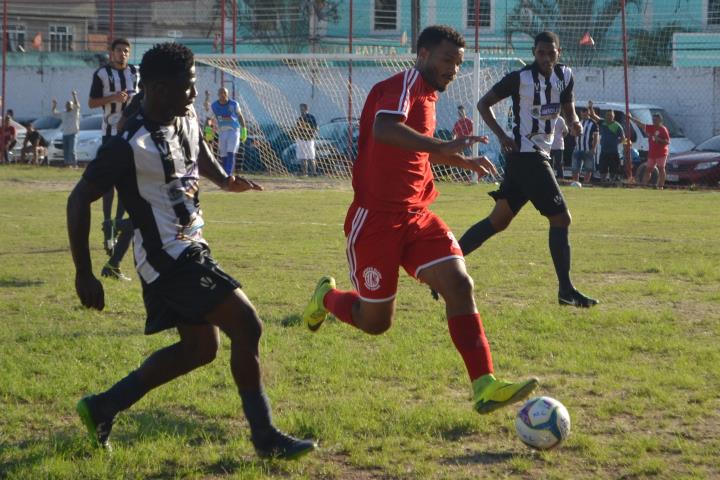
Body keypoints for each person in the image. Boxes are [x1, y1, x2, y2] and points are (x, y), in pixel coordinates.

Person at [67, 42, 316, 459]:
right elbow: (78, 201)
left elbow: (196, 148)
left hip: (191, 245)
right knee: (248, 325)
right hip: (167, 259)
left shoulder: (183, 113)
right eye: (189, 85)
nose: (194, 93)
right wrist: (84, 272)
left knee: (201, 350)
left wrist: (224, 180)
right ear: (159, 88)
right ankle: (265, 438)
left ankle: (102, 406)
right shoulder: (127, 143)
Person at [302, 25, 539, 417]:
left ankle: (485, 384)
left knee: (460, 284)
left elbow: (416, 153)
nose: (454, 70)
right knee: (376, 322)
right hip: (375, 219)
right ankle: (326, 298)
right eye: (448, 60)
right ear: (423, 54)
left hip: (416, 215)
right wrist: (441, 145)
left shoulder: (428, 95)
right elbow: (385, 129)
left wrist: (456, 160)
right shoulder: (404, 84)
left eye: (458, 64)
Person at [458, 31, 599, 308]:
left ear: (559, 53)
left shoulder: (565, 76)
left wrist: (573, 122)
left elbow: (568, 104)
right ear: (534, 53)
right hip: (527, 156)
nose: (545, 58)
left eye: (551, 53)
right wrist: (501, 135)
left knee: (497, 221)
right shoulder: (519, 78)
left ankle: (443, 265)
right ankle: (566, 290)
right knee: (561, 218)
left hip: (534, 156)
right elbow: (483, 104)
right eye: (540, 53)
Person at [89, 37, 140, 266]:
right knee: (108, 185)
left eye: (126, 51)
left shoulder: (135, 72)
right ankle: (108, 225)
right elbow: (91, 102)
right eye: (119, 50)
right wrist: (112, 97)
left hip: (131, 136)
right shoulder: (101, 74)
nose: (123, 54)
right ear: (111, 53)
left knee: (127, 184)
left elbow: (141, 98)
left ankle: (118, 225)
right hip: (109, 134)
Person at [628, 112, 670, 189]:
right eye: (653, 120)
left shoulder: (663, 129)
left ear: (660, 120)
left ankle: (660, 187)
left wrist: (659, 140)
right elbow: (641, 124)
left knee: (661, 169)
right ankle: (643, 186)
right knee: (648, 169)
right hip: (652, 153)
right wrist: (631, 118)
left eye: (656, 120)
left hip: (661, 153)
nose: (654, 121)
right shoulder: (651, 128)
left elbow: (667, 142)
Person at [211, 87, 247, 175]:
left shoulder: (234, 104)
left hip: (234, 131)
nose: (223, 95)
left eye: (224, 93)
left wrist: (244, 129)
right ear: (218, 95)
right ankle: (225, 174)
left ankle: (228, 174)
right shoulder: (214, 106)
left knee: (231, 152)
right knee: (223, 154)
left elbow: (240, 116)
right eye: (221, 93)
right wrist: (208, 130)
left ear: (227, 94)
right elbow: (209, 118)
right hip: (222, 132)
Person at [588, 104, 624, 182]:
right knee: (603, 171)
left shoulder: (617, 126)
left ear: (613, 116)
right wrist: (591, 108)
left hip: (613, 152)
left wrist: (615, 142)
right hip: (604, 152)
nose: (609, 117)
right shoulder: (603, 122)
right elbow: (593, 116)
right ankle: (603, 182)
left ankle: (612, 183)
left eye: (610, 115)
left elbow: (623, 138)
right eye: (607, 115)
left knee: (613, 171)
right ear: (605, 116)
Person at [52, 90, 81, 168]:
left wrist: (74, 95)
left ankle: (75, 164)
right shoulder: (63, 113)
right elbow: (54, 113)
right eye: (67, 104)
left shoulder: (75, 111)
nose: (68, 105)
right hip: (65, 134)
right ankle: (67, 164)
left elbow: (77, 105)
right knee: (66, 150)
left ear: (72, 105)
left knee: (72, 150)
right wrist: (54, 105)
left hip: (73, 134)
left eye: (69, 104)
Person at [571, 107, 598, 184]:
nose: (583, 116)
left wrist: (593, 148)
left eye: (585, 114)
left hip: (588, 149)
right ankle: (576, 182)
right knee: (575, 168)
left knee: (588, 168)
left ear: (588, 113)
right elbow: (573, 134)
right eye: (582, 114)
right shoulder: (578, 122)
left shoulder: (593, 123)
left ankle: (585, 183)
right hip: (577, 148)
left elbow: (596, 137)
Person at [294, 103, 318, 176]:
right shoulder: (300, 118)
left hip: (309, 139)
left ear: (306, 109)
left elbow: (316, 127)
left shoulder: (311, 117)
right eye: (300, 108)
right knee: (303, 157)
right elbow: (297, 129)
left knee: (311, 156)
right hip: (301, 139)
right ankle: (304, 172)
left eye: (302, 108)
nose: (301, 110)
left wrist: (310, 131)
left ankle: (314, 172)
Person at [551, 114, 568, 179]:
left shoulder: (560, 119)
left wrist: (560, 137)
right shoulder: (560, 119)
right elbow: (566, 131)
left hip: (558, 145)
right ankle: (551, 177)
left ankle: (560, 178)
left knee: (559, 163)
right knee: (551, 163)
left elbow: (566, 131)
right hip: (550, 145)